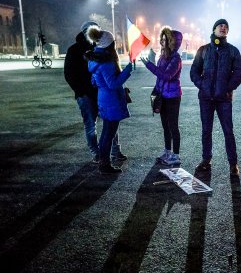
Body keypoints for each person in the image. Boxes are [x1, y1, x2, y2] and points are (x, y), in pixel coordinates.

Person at [64, 21, 127, 164]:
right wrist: (81, 92)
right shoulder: (74, 50)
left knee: (109, 123)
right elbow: (69, 75)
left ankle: (114, 151)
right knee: (91, 126)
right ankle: (97, 153)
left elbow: (111, 73)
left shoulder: (99, 47)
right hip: (87, 95)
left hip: (101, 93)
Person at [190, 19, 241, 176]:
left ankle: (233, 164)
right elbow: (194, 71)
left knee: (228, 130)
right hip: (206, 98)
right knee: (206, 130)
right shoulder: (204, 50)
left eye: (226, 27)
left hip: (224, 99)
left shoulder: (233, 51)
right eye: (220, 25)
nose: (223, 27)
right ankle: (206, 160)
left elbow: (239, 73)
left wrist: (227, 88)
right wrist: (203, 85)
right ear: (214, 29)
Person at [85, 26, 133, 174]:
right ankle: (104, 164)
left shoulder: (94, 60)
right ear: (109, 44)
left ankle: (103, 161)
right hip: (111, 100)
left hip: (103, 98)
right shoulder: (106, 62)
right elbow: (113, 84)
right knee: (109, 133)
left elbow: (95, 82)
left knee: (107, 131)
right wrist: (127, 70)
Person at [141, 27, 183, 166]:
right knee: (165, 126)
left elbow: (166, 75)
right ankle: (167, 151)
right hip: (163, 95)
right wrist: (156, 91)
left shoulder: (176, 58)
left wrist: (149, 65)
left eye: (166, 39)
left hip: (172, 97)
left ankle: (176, 155)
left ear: (173, 42)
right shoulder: (163, 55)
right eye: (162, 39)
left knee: (173, 126)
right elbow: (160, 78)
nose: (163, 42)